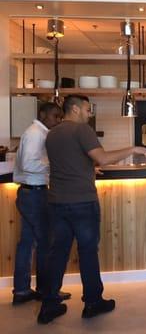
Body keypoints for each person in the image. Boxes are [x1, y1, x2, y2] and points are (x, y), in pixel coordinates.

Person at [38, 95, 146, 324]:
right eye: (88, 109)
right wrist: (133, 148)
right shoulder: (82, 130)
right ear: (76, 109)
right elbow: (104, 159)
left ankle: (48, 305)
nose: (90, 114)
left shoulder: (52, 134)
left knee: (57, 253)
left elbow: (67, 163)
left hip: (56, 201)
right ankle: (92, 302)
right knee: (88, 252)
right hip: (82, 202)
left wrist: (87, 169)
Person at [11, 102, 71, 305]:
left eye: (60, 117)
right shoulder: (36, 133)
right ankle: (48, 291)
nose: (58, 120)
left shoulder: (37, 132)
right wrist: (54, 167)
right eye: (55, 116)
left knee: (27, 244)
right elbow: (28, 164)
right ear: (43, 114)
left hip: (29, 194)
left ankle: (21, 291)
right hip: (35, 194)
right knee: (46, 243)